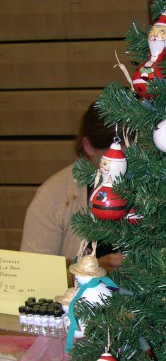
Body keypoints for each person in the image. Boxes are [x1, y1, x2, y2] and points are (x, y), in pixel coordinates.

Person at [20, 102, 124, 272]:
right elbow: (33, 272)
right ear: (89, 146)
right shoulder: (54, 194)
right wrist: (90, 272)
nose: (126, 164)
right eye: (116, 155)